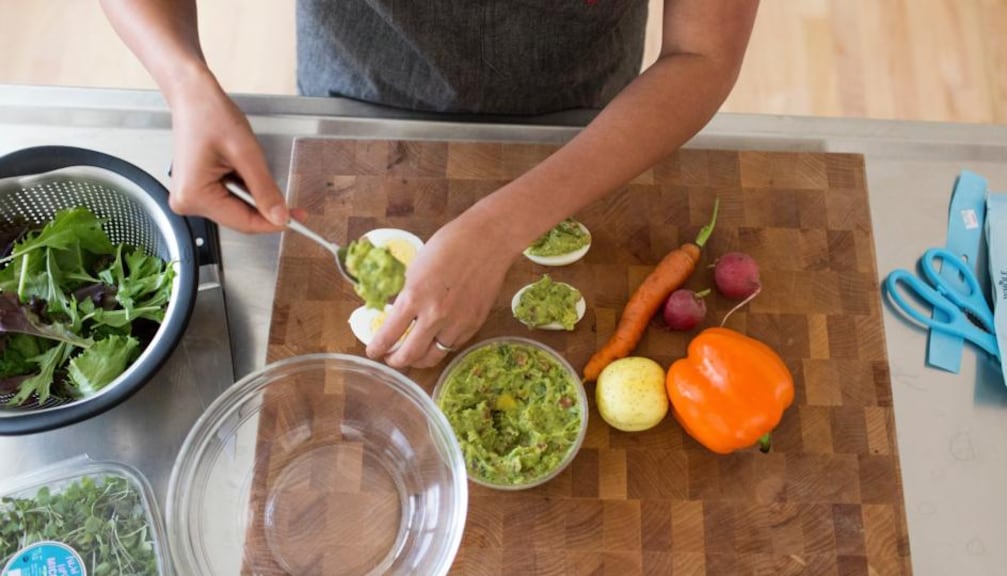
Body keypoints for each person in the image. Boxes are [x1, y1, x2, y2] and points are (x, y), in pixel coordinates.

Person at [100, 0, 759, 368]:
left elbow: (703, 54)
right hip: (356, 84)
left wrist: (506, 224)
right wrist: (185, 83)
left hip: (581, 109)